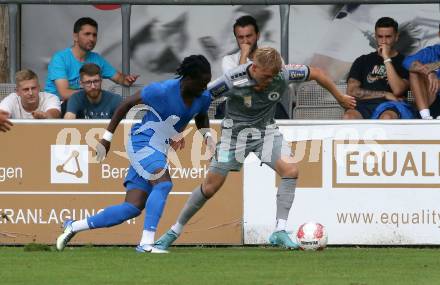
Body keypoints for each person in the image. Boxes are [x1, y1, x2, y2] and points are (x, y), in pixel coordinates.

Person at [154, 47, 356, 251]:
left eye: (273, 77)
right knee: (210, 187)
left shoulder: (283, 73)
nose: (270, 81)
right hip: (234, 137)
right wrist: (181, 130)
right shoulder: (232, 80)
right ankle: (174, 231)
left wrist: (340, 97)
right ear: (255, 67)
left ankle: (279, 231)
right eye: (266, 76)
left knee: (291, 170)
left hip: (265, 132)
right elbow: (201, 101)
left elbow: (318, 73)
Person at [56, 55, 214, 253]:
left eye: (207, 82)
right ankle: (146, 243)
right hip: (142, 142)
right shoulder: (161, 91)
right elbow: (125, 105)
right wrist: (106, 138)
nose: (205, 87)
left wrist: (207, 138)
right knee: (163, 183)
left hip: (160, 148)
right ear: (188, 78)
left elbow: (201, 116)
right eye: (202, 82)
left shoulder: (203, 96)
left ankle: (74, 226)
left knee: (133, 207)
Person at [45, 17, 138, 108]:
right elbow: (64, 93)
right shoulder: (60, 58)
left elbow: (119, 78)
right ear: (75, 37)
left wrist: (126, 80)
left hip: (84, 106)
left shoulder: (97, 58)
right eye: (87, 34)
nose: (91, 39)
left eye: (94, 35)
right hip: (58, 107)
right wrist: (95, 94)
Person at [343, 17, 415, 120]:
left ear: (396, 37)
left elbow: (398, 90)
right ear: (376, 36)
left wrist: (386, 58)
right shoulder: (362, 60)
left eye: (388, 37)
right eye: (380, 37)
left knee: (387, 118)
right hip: (364, 106)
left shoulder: (405, 61)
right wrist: (384, 94)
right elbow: (351, 91)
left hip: (390, 107)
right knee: (349, 117)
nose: (384, 41)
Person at [403, 24, 440, 119]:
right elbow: (407, 62)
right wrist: (429, 73)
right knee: (414, 71)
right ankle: (425, 117)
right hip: (432, 96)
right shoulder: (432, 51)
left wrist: (437, 64)